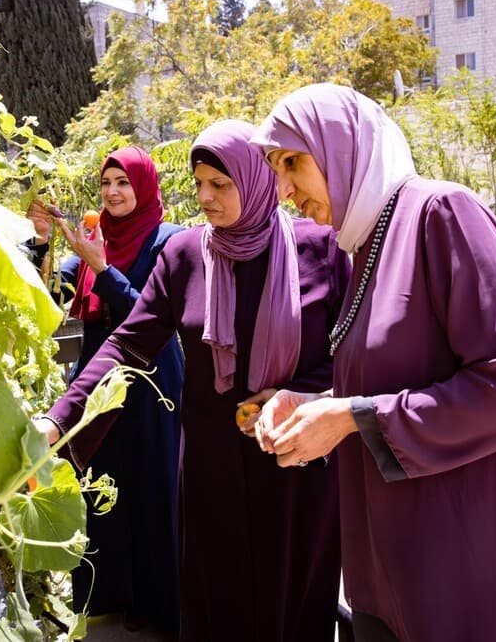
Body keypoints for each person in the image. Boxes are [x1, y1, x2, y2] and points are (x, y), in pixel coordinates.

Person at [249, 84, 496, 642]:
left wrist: (353, 417)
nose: (284, 189)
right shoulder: (365, 244)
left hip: (461, 563)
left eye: (294, 162)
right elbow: (393, 382)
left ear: (342, 147)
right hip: (390, 564)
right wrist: (315, 407)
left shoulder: (442, 214)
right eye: (276, 169)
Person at [34, 119, 349, 642]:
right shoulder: (185, 257)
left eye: (219, 185)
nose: (204, 197)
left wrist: (303, 393)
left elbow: (352, 349)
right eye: (199, 183)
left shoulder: (321, 248)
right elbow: (128, 344)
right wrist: (61, 418)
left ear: (256, 180)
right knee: (216, 600)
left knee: (294, 601)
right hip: (211, 469)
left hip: (299, 459)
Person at [27, 146, 184, 635]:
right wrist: (42, 243)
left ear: (145, 186)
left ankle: (160, 606)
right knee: (102, 487)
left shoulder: (169, 243)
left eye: (124, 182)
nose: (114, 192)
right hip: (97, 385)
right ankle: (109, 595)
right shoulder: (92, 242)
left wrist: (105, 269)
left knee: (152, 488)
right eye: (107, 183)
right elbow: (46, 299)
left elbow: (159, 318)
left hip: (153, 383)